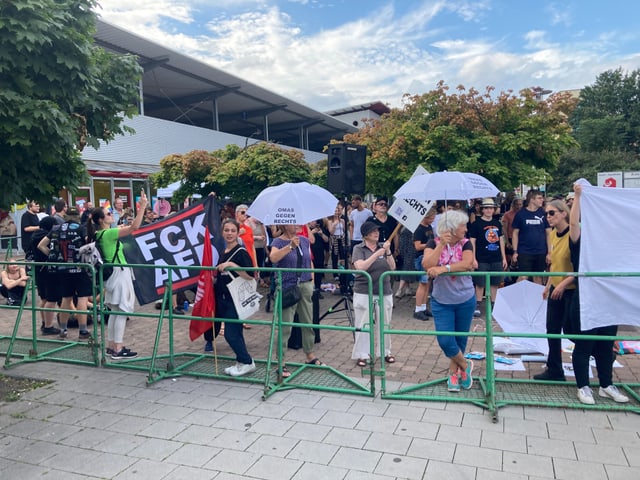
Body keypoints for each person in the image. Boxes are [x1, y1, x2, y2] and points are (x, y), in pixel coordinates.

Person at [567, 183, 629, 404]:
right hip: (586, 301)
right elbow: (573, 223)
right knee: (584, 345)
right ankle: (583, 386)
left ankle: (606, 384)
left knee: (605, 346)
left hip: (609, 302)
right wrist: (577, 197)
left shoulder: (612, 245)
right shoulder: (580, 242)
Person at [88, 190, 148, 359]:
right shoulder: (108, 234)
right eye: (108, 214)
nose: (111, 215)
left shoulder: (100, 234)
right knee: (121, 310)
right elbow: (134, 227)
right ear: (101, 220)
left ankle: (112, 345)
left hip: (111, 275)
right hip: (119, 272)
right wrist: (142, 207)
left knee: (115, 310)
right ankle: (118, 348)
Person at [422, 210, 475, 392]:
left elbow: (468, 263)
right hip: (442, 300)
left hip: (465, 298)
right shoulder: (433, 241)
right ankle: (465, 365)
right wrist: (441, 245)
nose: (466, 229)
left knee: (460, 340)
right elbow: (427, 265)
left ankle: (453, 373)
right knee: (445, 340)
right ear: (452, 227)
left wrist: (443, 268)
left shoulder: (466, 243)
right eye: (463, 226)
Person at [529, 199, 575, 381]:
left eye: (551, 213)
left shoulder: (573, 235)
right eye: (546, 213)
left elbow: (578, 267)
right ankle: (554, 369)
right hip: (556, 287)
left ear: (564, 213)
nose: (547, 217)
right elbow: (555, 264)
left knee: (572, 329)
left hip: (571, 289)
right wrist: (548, 284)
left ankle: (601, 351)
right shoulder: (553, 235)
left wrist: (563, 285)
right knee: (552, 329)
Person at [269, 224, 323, 377]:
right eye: (294, 223)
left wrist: (311, 279)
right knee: (285, 325)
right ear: (285, 225)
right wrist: (290, 247)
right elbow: (273, 258)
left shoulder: (304, 240)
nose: (298, 225)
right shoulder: (278, 242)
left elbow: (308, 260)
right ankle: (281, 361)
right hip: (288, 286)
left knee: (307, 321)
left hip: (305, 284)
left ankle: (310, 354)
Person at [37, 207, 92, 339]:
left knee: (66, 298)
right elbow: (89, 242)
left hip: (61, 268)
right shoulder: (80, 228)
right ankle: (83, 330)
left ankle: (63, 329)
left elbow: (41, 245)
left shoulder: (56, 228)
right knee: (82, 298)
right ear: (78, 216)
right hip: (79, 267)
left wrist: (53, 256)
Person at [216, 218, 257, 376]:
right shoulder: (223, 252)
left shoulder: (241, 252)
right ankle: (241, 361)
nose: (229, 233)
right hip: (224, 297)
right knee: (235, 332)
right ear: (222, 232)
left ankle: (247, 361)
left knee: (230, 333)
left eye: (233, 230)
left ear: (238, 232)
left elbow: (250, 275)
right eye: (226, 230)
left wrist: (233, 266)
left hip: (236, 298)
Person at [351, 221, 395, 366]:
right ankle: (362, 354)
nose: (376, 233)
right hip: (364, 290)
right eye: (372, 231)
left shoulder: (383, 247)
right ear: (365, 235)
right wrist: (377, 254)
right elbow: (361, 267)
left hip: (384, 290)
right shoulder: (358, 248)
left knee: (385, 323)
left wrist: (387, 252)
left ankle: (385, 351)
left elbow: (393, 267)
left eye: (377, 230)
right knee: (363, 323)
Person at [469, 198, 507, 316]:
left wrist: (504, 257)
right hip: (481, 258)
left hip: (496, 257)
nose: (489, 210)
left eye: (491, 208)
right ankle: (478, 304)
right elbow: (472, 241)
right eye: (486, 208)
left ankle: (493, 304)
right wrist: (473, 258)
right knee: (480, 283)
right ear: (482, 210)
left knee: (495, 283)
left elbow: (501, 240)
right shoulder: (476, 224)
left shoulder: (497, 223)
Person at [511, 190, 551, 284]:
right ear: (532, 199)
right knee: (523, 277)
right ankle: (517, 297)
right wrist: (515, 251)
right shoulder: (520, 214)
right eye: (539, 198)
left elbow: (549, 233)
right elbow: (515, 233)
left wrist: (550, 252)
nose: (542, 200)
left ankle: (538, 298)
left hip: (541, 251)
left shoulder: (544, 213)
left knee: (538, 277)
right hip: (524, 251)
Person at [411, 207, 437, 320]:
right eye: (431, 218)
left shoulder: (429, 227)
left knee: (427, 283)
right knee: (423, 283)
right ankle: (417, 309)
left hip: (429, 256)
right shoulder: (419, 229)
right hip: (421, 257)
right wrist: (430, 244)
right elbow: (417, 246)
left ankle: (423, 306)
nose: (432, 220)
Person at [501, 196, 523, 267]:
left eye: (520, 204)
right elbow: (505, 229)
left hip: (521, 239)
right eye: (517, 204)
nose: (518, 206)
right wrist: (507, 242)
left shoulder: (524, 214)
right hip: (510, 238)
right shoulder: (507, 215)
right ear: (513, 205)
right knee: (511, 259)